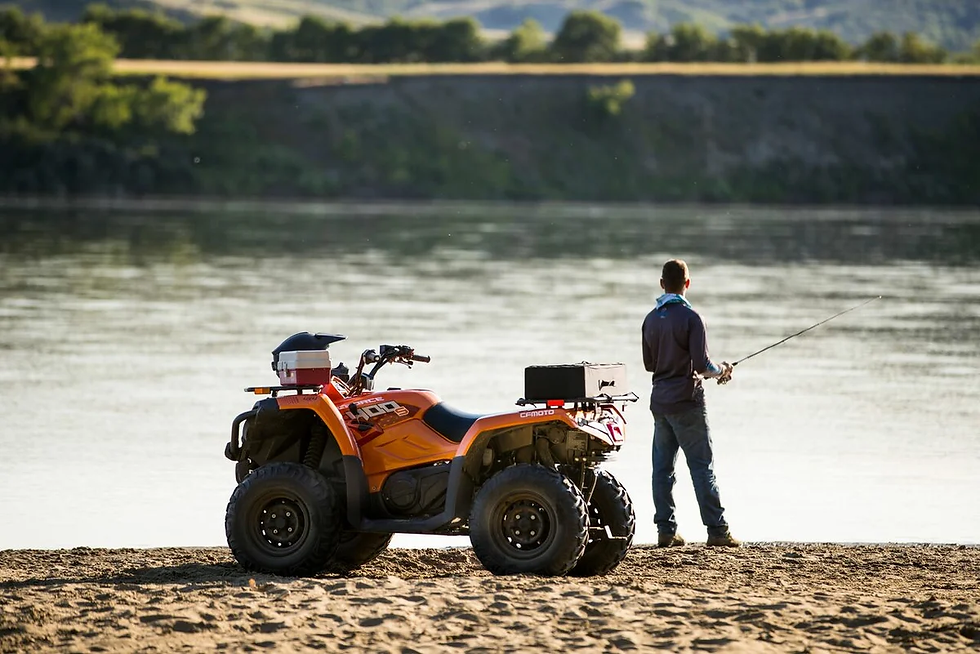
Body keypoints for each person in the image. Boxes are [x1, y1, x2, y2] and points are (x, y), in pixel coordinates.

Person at [641, 259, 740, 548]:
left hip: (660, 402)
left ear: (662, 284)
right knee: (702, 467)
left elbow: (649, 365)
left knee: (662, 470)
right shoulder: (692, 318)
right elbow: (702, 365)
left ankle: (666, 530)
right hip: (687, 402)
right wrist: (722, 370)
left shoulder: (649, 319)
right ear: (688, 283)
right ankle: (717, 530)